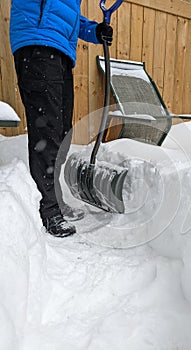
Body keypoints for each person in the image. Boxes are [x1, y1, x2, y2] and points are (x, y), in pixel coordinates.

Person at [9, 1, 113, 238]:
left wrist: (94, 31)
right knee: (47, 132)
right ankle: (48, 209)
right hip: (37, 42)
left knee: (63, 133)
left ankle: (53, 197)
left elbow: (68, 15)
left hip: (61, 51)